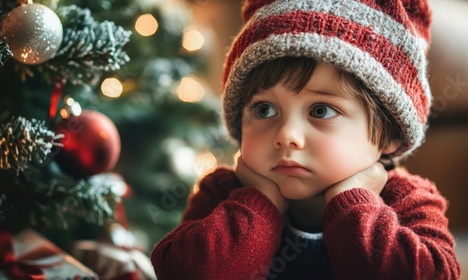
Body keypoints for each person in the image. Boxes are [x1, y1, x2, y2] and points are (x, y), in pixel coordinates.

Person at [151, 0, 461, 279]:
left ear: (390, 134)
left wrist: (353, 203)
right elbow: (180, 270)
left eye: (321, 110)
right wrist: (258, 203)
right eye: (264, 109)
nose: (287, 135)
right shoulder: (223, 192)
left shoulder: (407, 199)